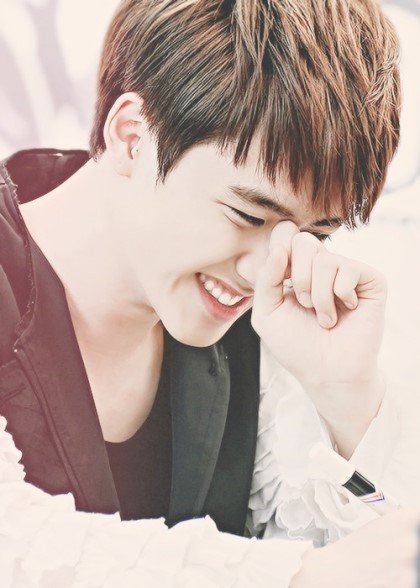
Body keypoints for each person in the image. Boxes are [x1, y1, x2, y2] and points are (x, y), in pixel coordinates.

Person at [0, 0, 418, 585]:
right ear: (132, 136)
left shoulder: (267, 325)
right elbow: (16, 547)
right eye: (247, 214)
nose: (267, 270)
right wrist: (299, 577)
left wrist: (345, 397)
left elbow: (375, 554)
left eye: (313, 235)